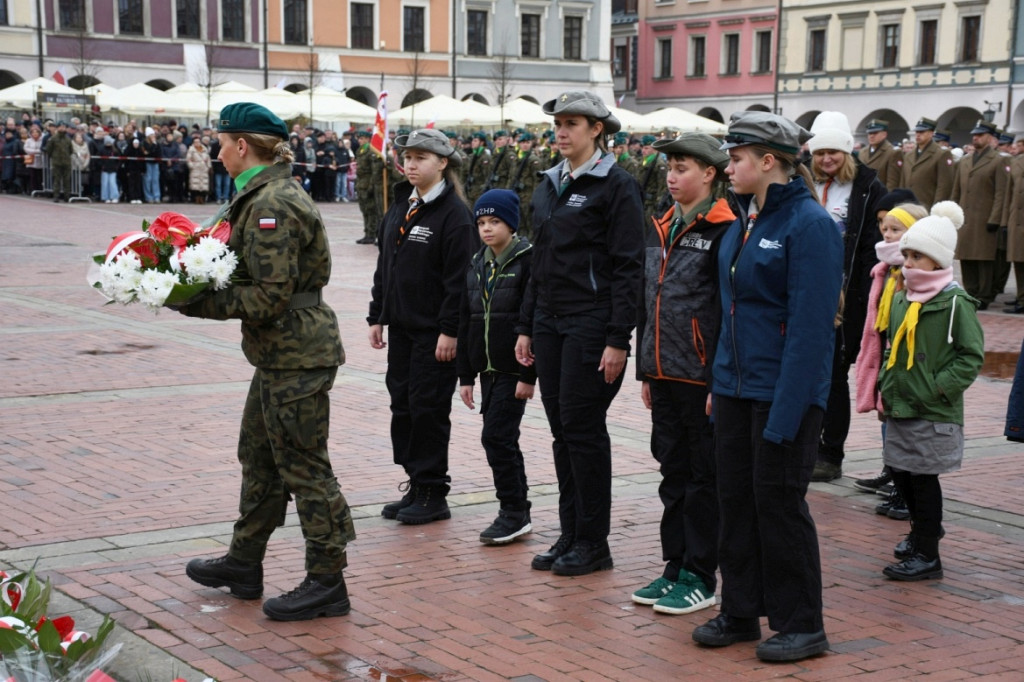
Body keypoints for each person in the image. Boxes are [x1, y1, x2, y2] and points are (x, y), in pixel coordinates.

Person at [179, 102, 355, 622]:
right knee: (259, 457)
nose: (217, 153)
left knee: (305, 467)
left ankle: (327, 580)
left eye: (221, 143)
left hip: (297, 355)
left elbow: (269, 297)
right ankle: (244, 561)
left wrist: (189, 301)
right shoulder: (259, 195)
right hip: (280, 354)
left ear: (242, 145)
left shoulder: (272, 203)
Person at [692, 111, 841, 662]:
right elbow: (728, 311)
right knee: (735, 501)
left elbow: (811, 330)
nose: (727, 167)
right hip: (736, 388)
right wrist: (719, 381)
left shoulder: (809, 225)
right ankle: (740, 610)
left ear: (769, 161)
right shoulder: (743, 221)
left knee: (778, 504)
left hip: (784, 393)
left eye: (735, 159)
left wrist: (789, 408)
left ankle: (803, 624)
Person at [514, 91, 644, 577]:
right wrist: (526, 325)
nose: (562, 131)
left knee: (583, 429)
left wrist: (618, 338)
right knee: (562, 432)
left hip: (591, 321)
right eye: (558, 123)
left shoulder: (616, 185)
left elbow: (629, 266)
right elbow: (539, 260)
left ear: (597, 129)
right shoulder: (550, 182)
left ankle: (593, 541)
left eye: (572, 123)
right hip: (549, 320)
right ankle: (570, 533)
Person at [631, 133, 734, 615]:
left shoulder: (724, 228)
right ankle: (674, 565)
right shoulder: (661, 224)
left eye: (682, 168)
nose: (671, 177)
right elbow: (648, 301)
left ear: (710, 174)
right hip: (664, 372)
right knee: (671, 473)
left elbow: (726, 312)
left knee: (701, 477)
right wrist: (646, 370)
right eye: (669, 168)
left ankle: (700, 575)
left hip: (700, 377)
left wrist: (718, 378)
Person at [367, 128, 477, 525]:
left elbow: (459, 281)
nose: (411, 164)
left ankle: (433, 491)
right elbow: (386, 265)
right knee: (403, 405)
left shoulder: (454, 215)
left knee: (428, 408)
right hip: (401, 327)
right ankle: (416, 482)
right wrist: (377, 314)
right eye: (408, 157)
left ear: (442, 163)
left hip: (434, 333)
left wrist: (450, 330)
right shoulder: (402, 204)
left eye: (421, 158)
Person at [878, 202, 984, 581]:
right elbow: (892, 348)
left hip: (932, 408)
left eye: (917, 256)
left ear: (937, 260)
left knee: (922, 479)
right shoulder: (902, 296)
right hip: (900, 403)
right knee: (901, 473)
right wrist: (885, 385)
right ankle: (921, 533)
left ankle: (927, 553)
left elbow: (970, 356)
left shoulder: (954, 302)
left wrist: (938, 388)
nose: (908, 263)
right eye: (906, 255)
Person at [804, 111, 886, 483]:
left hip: (846, 296)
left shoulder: (867, 188)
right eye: (820, 153)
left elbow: (873, 246)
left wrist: (868, 297)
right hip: (805, 290)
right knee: (804, 371)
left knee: (835, 375)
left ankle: (830, 453)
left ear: (847, 151)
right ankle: (805, 445)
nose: (826, 159)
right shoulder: (801, 181)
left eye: (833, 152)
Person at [457, 189, 536, 545]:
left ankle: (513, 511)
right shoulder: (477, 264)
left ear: (512, 224)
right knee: (502, 438)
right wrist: (465, 375)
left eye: (495, 221)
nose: (487, 229)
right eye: (481, 223)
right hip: (487, 370)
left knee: (497, 437)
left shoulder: (527, 261)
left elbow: (531, 319)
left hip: (513, 369)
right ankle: (517, 510)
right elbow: (466, 319)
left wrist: (528, 376)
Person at [852, 197, 928, 515]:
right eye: (884, 228)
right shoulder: (884, 269)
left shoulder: (917, 272)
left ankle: (907, 492)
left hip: (906, 361)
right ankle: (894, 477)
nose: (887, 234)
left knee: (906, 429)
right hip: (884, 356)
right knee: (888, 420)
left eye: (895, 229)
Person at [952, 119, 1010, 310]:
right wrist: (952, 213)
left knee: (984, 258)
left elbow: (1001, 193)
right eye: (974, 135)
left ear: (991, 138)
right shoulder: (965, 160)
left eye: (980, 135)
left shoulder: (998, 160)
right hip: (965, 217)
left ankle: (984, 295)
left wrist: (995, 218)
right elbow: (957, 191)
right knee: (966, 257)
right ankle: (970, 291)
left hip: (985, 217)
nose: (975, 138)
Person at [900, 118, 954, 210]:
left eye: (922, 132)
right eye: (917, 132)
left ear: (931, 133)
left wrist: (936, 209)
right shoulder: (909, 155)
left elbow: (944, 186)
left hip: (927, 207)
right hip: (908, 207)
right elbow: (903, 182)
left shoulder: (941, 154)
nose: (918, 135)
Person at [857, 119, 903, 191]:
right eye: (869, 133)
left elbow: (892, 183)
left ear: (884, 134)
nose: (871, 136)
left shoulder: (892, 152)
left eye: (875, 133)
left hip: (880, 195)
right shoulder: (862, 152)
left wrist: (888, 197)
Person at [638, 134, 668, 228]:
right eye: (642, 148)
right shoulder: (643, 162)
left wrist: (658, 206)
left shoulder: (659, 164)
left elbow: (662, 187)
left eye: (646, 148)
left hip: (652, 205)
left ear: (654, 149)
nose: (643, 150)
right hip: (643, 201)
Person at [354, 130, 378, 244]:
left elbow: (374, 171)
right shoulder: (360, 150)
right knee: (364, 210)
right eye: (359, 138)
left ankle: (371, 234)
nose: (360, 140)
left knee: (371, 210)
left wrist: (371, 186)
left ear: (368, 139)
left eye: (362, 138)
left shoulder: (371, 151)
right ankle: (367, 233)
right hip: (361, 184)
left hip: (368, 183)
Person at [45, 121, 74, 202]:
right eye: (60, 127)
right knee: (56, 180)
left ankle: (66, 196)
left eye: (64, 127)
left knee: (67, 180)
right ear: (57, 128)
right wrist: (54, 157)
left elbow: (71, 150)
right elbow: (48, 149)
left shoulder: (68, 139)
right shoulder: (53, 138)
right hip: (56, 162)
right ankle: (56, 196)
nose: (62, 128)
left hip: (66, 162)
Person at [186, 136, 212, 204]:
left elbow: (208, 159)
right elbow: (188, 159)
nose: (197, 143)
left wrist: (208, 167)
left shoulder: (204, 149)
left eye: (198, 142)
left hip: (204, 169)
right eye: (195, 142)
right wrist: (192, 166)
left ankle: (202, 198)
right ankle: (196, 198)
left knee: (203, 184)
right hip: (195, 169)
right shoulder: (191, 150)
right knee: (195, 184)